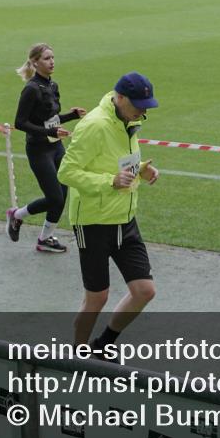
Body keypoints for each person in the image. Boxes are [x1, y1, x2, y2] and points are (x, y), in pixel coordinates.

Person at [58, 72, 160, 353]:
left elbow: (117, 162)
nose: (143, 110)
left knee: (144, 291)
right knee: (97, 298)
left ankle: (103, 345)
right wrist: (109, 182)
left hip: (125, 218)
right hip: (93, 221)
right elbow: (66, 172)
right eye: (139, 104)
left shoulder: (128, 120)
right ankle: (76, 358)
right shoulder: (94, 125)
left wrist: (140, 170)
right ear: (121, 97)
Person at [6, 44, 85, 253]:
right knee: (54, 198)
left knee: (62, 193)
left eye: (53, 57)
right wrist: (48, 132)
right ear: (35, 62)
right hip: (38, 149)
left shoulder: (52, 86)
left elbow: (52, 118)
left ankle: (45, 238)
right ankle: (16, 215)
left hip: (56, 147)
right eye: (47, 58)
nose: (52, 62)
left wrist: (71, 115)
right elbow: (20, 122)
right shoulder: (31, 89)